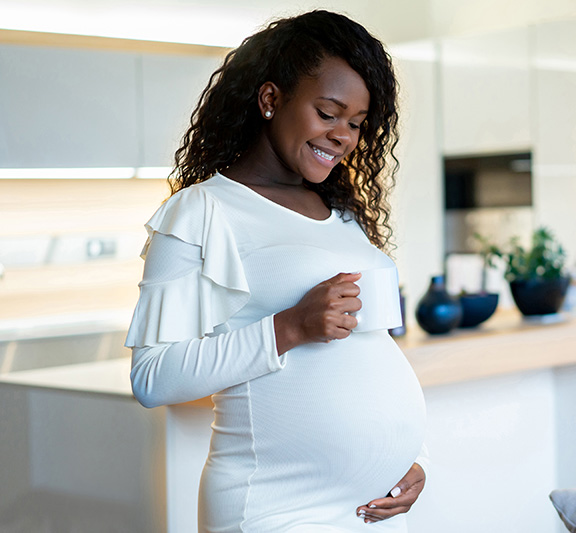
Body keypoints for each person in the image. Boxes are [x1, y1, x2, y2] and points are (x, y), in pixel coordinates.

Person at [124, 10, 428, 532]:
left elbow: (368, 354)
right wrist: (290, 326)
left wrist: (404, 457)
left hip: (370, 509)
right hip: (275, 508)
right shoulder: (202, 211)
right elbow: (153, 377)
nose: (343, 137)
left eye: (356, 124)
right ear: (271, 100)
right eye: (328, 113)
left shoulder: (345, 216)